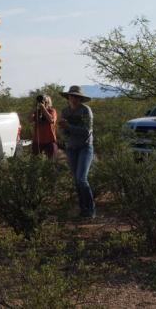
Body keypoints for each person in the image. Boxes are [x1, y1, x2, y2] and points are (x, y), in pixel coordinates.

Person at [58, 85, 95, 219]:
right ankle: (83, 209)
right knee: (76, 180)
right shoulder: (65, 111)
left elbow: (86, 131)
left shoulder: (86, 111)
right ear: (68, 97)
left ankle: (91, 210)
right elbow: (64, 132)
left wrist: (69, 126)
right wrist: (64, 129)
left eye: (76, 96)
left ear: (80, 99)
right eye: (71, 96)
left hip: (85, 147)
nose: (73, 98)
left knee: (81, 179)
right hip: (72, 148)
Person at [29, 94, 58, 159]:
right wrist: (34, 108)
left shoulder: (52, 111)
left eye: (44, 101)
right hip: (37, 141)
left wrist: (43, 109)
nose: (42, 103)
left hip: (50, 140)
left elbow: (51, 120)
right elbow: (29, 120)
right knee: (34, 161)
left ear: (48, 102)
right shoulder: (37, 112)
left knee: (51, 162)